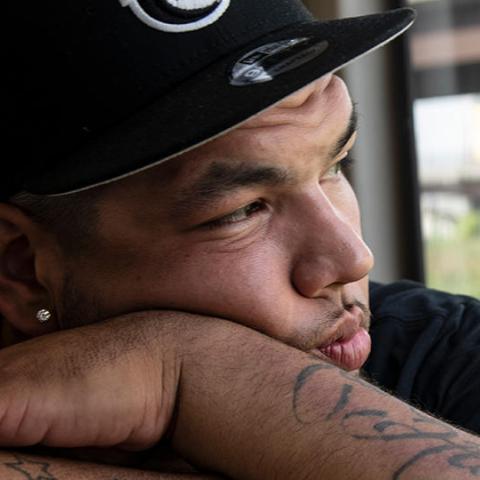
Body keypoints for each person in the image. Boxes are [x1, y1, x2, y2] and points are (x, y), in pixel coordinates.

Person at [2, 0, 480, 478]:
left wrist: (187, 371)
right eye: (242, 211)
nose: (353, 259)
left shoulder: (444, 349)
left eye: (335, 166)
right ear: (21, 268)